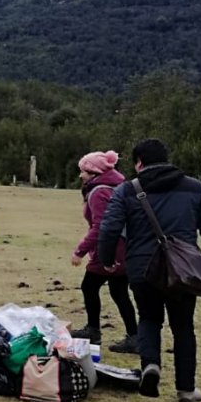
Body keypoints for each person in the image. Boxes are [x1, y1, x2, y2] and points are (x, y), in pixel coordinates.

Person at [97, 138, 201, 402]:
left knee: (148, 319)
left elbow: (109, 228)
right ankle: (186, 389)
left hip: (141, 267)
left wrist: (106, 259)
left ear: (139, 163)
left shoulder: (127, 190)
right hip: (183, 269)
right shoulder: (194, 187)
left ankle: (150, 365)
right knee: (183, 326)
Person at [68, 150, 138, 353]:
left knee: (89, 286)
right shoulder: (118, 187)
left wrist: (80, 251)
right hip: (124, 248)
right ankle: (134, 337)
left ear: (93, 172)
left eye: (83, 171)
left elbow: (100, 227)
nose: (81, 176)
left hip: (109, 249)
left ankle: (93, 331)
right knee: (119, 292)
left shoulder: (99, 192)